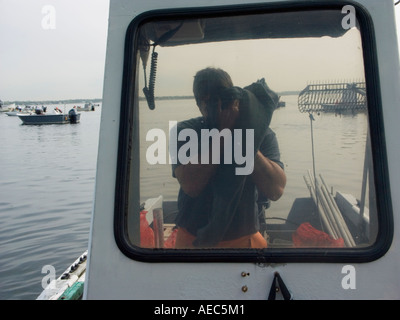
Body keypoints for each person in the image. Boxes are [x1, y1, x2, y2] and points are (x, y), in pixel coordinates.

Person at [170, 67, 286, 249]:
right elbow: (191, 186)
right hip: (193, 239)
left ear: (233, 99)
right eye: (208, 103)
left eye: (222, 100)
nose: (217, 108)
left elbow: (276, 190)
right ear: (199, 105)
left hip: (244, 237)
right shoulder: (186, 131)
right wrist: (223, 134)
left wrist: (244, 138)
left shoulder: (259, 133)